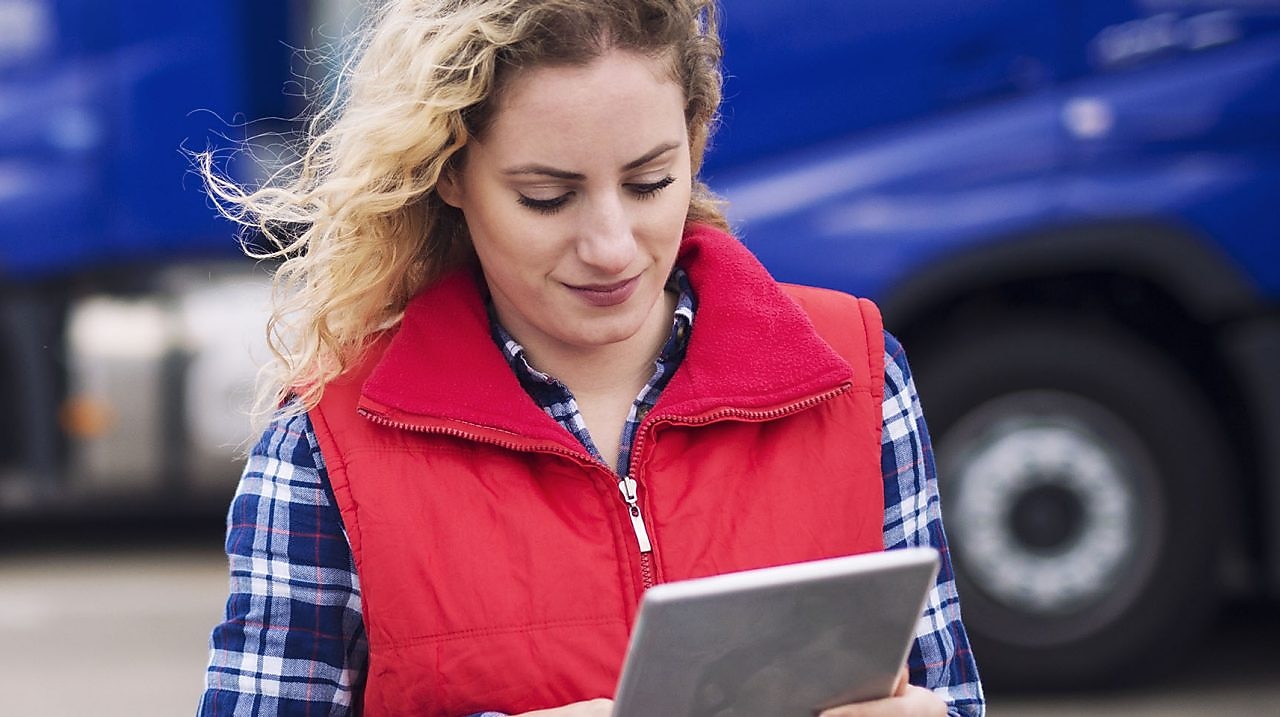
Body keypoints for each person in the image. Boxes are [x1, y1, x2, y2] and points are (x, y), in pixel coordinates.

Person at [197, 1, 984, 715]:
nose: (611, 247)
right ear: (449, 174)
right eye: (548, 196)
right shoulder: (326, 440)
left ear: (695, 142)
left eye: (649, 182)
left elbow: (947, 691)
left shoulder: (859, 373)